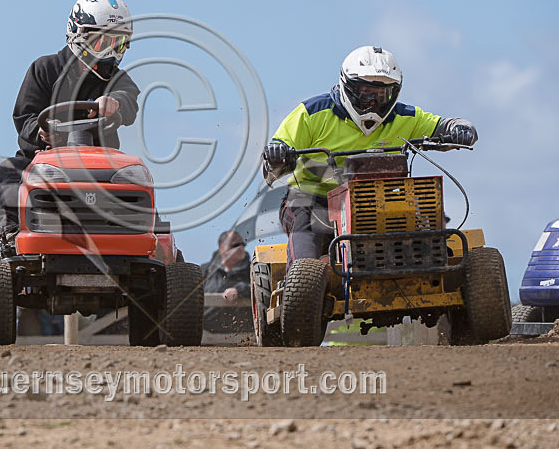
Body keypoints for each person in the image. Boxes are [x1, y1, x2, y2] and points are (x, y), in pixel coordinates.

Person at [262, 45, 478, 264]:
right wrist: (277, 155)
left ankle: (435, 267)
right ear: (348, 87)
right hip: (313, 201)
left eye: (382, 94)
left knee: (419, 214)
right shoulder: (311, 113)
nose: (374, 102)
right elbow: (278, 149)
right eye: (366, 93)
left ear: (395, 92)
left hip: (379, 200)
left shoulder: (406, 117)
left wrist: (460, 129)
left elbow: (445, 125)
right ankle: (302, 282)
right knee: (306, 245)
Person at [0, 0, 141, 253]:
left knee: (136, 175)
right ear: (78, 35)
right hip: (45, 160)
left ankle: (146, 237)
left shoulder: (116, 79)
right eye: (101, 42)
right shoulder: (45, 68)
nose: (109, 51)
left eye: (118, 43)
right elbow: (24, 117)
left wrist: (115, 101)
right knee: (9, 170)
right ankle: (8, 235)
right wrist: (42, 132)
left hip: (100, 161)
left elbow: (130, 100)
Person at [201, 230, 251, 302]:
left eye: (243, 244)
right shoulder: (205, 270)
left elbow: (264, 289)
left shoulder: (253, 270)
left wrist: (240, 290)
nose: (241, 248)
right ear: (222, 247)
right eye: (235, 245)